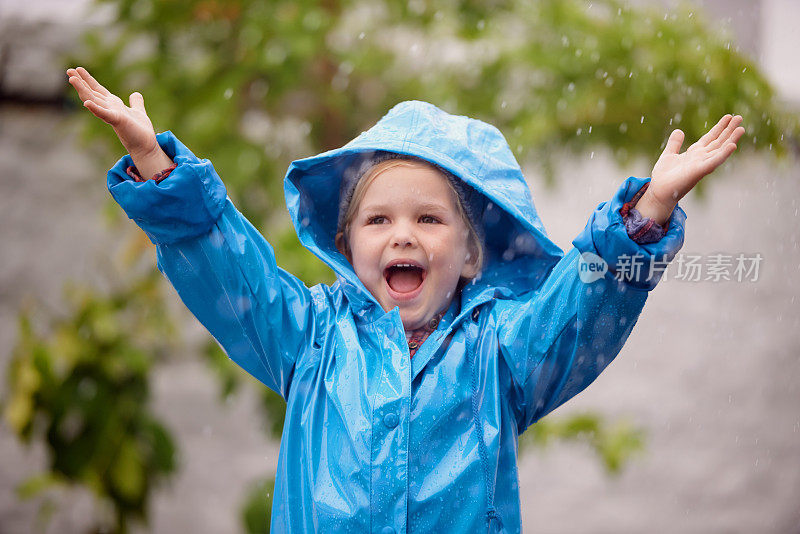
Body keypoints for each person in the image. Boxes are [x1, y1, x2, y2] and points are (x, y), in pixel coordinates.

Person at [67, 66, 744, 533]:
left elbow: (580, 306)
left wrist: (650, 208)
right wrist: (159, 170)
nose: (403, 236)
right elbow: (227, 271)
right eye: (379, 220)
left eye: (429, 219)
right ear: (346, 243)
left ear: (471, 252)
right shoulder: (308, 338)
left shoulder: (501, 354)